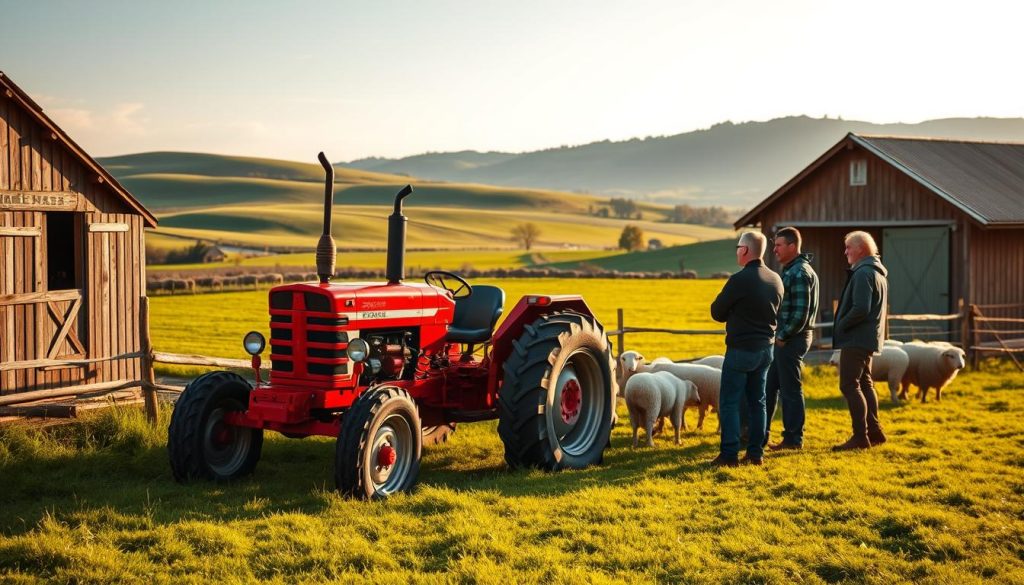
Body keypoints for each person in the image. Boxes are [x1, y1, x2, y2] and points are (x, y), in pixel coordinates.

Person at [710, 231, 783, 467]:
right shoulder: (776, 279)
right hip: (766, 350)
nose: (736, 251)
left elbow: (717, 312)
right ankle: (755, 453)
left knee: (730, 402)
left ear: (745, 250)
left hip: (741, 350)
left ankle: (729, 454)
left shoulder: (739, 280)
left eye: (738, 247)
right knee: (758, 401)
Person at [832, 230, 889, 451]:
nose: (845, 251)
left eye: (849, 247)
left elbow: (861, 308)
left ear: (861, 249)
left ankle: (860, 437)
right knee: (865, 383)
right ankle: (875, 432)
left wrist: (841, 324)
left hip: (856, 338)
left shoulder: (864, 273)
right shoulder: (876, 272)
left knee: (849, 384)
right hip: (867, 338)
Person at [764, 227, 819, 451]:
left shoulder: (799, 273)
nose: (774, 249)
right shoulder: (792, 270)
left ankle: (794, 439)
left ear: (792, 246)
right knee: (770, 386)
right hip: (787, 338)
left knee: (790, 389)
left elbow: (800, 312)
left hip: (791, 338)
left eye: (778, 245)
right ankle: (761, 434)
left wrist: (783, 336)